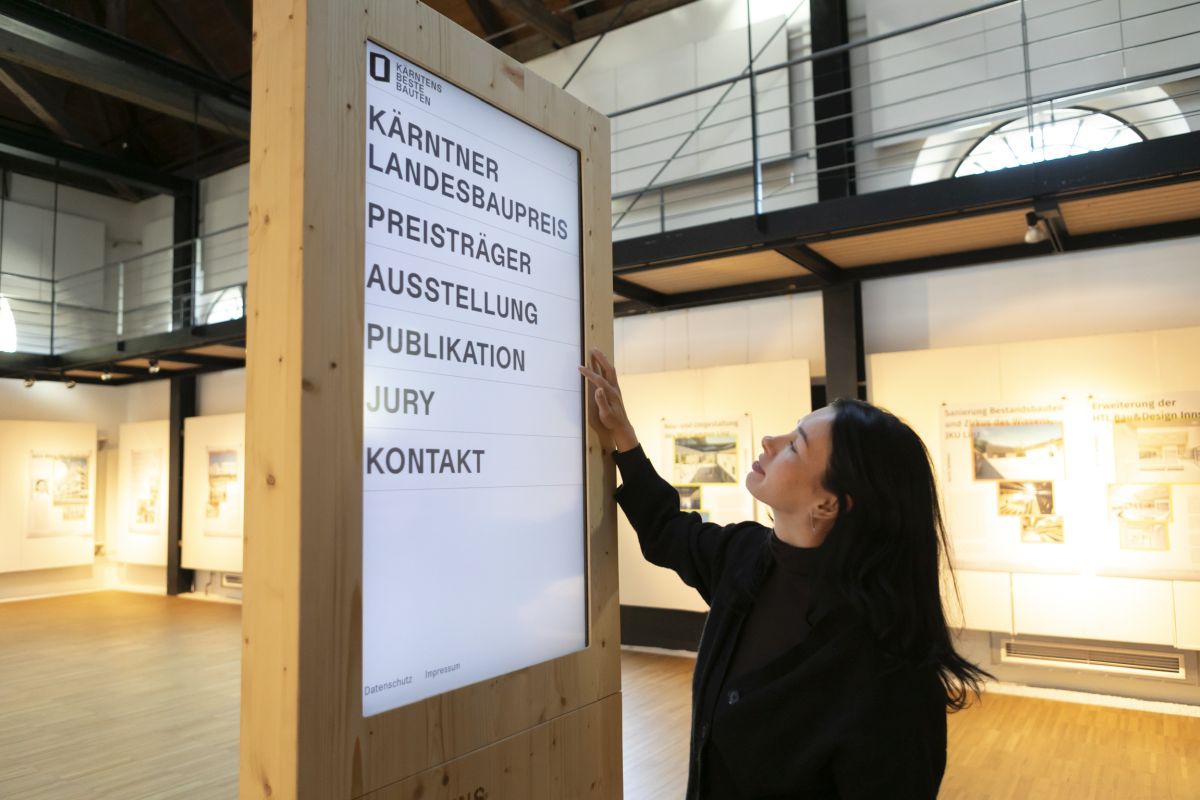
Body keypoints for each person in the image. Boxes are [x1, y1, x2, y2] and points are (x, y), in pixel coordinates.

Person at [579, 348, 991, 799]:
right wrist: (623, 436)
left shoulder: (891, 680)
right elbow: (667, 531)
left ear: (828, 504)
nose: (770, 442)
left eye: (795, 445)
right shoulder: (743, 556)